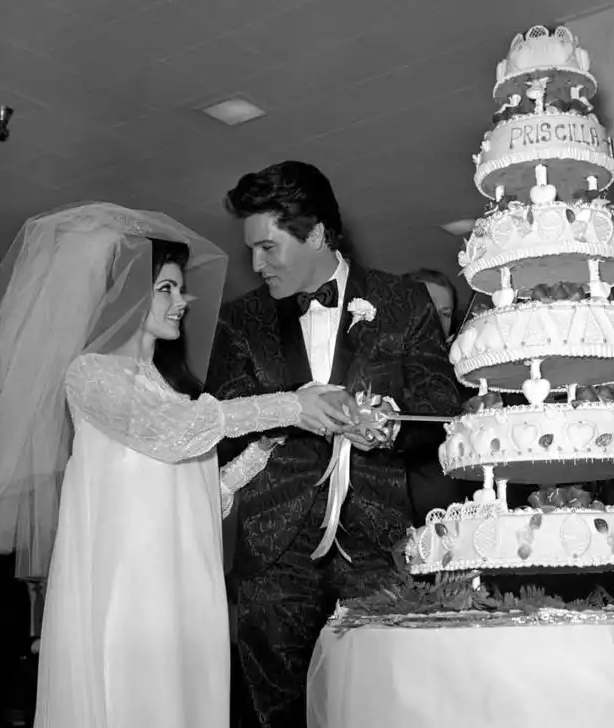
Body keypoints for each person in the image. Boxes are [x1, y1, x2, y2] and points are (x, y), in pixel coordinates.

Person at [0, 203, 355, 728]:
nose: (182, 300)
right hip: (134, 586)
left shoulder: (170, 389)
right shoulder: (90, 375)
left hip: (185, 579)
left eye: (178, 288)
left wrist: (263, 448)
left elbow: (201, 492)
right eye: (166, 288)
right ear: (126, 295)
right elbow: (173, 434)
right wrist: (287, 404)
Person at [206, 161, 462, 728]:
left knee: (379, 703)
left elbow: (443, 411)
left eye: (269, 248)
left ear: (317, 233)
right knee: (273, 708)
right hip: (274, 547)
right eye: (252, 249)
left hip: (376, 543)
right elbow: (221, 430)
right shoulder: (238, 321)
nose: (256, 264)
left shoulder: (403, 301)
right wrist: (288, 414)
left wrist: (393, 427)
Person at [405, 268, 470, 524]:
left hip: (451, 521)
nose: (435, 321)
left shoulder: (467, 373)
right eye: (426, 308)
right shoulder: (375, 366)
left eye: (444, 313)